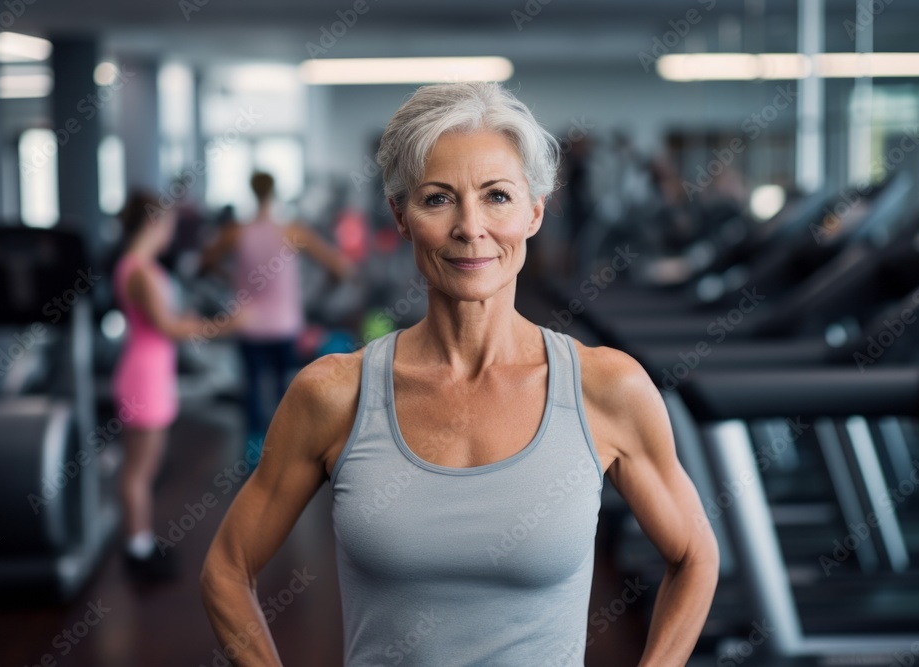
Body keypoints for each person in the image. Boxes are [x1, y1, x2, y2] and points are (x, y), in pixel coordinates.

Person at [201, 82, 719, 665]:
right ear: (401, 216)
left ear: (535, 211)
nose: (470, 227)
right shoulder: (334, 394)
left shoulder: (607, 389)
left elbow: (695, 556)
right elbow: (226, 568)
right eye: (438, 199)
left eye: (497, 196)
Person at [112, 191, 246, 581]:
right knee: (139, 470)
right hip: (144, 377)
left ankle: (140, 541)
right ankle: (137, 551)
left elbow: (162, 320)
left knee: (144, 469)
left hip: (150, 372)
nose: (172, 232)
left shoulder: (138, 267)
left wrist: (183, 318)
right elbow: (168, 328)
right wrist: (226, 326)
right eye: (169, 223)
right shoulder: (139, 270)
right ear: (154, 223)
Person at [200, 172, 352, 465]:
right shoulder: (291, 230)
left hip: (249, 325)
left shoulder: (236, 231)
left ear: (251, 191)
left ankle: (254, 459)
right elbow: (339, 267)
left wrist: (232, 278)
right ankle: (288, 453)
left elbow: (204, 263)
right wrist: (317, 293)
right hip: (284, 324)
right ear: (275, 192)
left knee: (254, 389)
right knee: (287, 392)